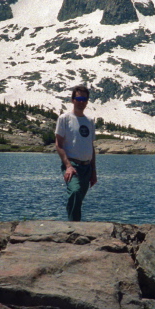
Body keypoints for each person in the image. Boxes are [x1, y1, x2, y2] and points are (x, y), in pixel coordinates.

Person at [54, 85, 97, 221]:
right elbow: (58, 144)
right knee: (74, 192)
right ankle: (74, 227)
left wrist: (94, 171)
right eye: (78, 98)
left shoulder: (89, 121)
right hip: (72, 165)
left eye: (84, 99)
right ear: (73, 100)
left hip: (87, 167)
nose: (81, 101)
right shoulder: (64, 119)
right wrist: (68, 166)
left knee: (78, 199)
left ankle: (73, 224)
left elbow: (91, 146)